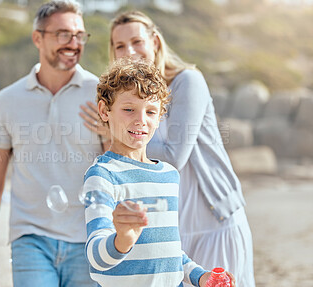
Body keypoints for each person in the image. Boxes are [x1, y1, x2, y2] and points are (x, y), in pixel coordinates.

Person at [81, 11, 255, 287]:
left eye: (137, 41)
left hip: (213, 218)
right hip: (173, 218)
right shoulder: (106, 164)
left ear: (156, 42)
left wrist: (110, 127)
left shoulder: (188, 81)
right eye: (120, 46)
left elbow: (175, 155)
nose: (129, 51)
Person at [0, 1, 101, 287]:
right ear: (37, 38)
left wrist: (112, 134)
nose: (74, 43)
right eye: (63, 34)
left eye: (80, 35)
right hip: (30, 239)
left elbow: (120, 164)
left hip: (91, 239)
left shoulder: (101, 94)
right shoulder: (8, 100)